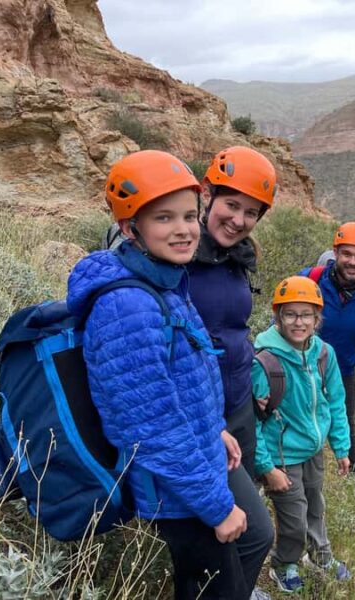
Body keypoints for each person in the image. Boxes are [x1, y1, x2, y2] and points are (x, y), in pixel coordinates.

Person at [67, 150, 272, 600]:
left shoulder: (163, 280)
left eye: (187, 215)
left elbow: (181, 378)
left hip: (194, 467)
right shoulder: (127, 306)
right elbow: (151, 427)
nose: (183, 229)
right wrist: (219, 509)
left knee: (226, 567)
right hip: (179, 491)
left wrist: (213, 427)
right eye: (164, 218)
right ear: (129, 227)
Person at [252, 276, 352, 593]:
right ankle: (284, 563)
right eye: (290, 314)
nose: (299, 322)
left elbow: (335, 402)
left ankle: (320, 556)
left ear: (317, 318)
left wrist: (341, 447)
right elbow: (251, 421)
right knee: (293, 516)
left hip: (312, 449)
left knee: (315, 506)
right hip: (281, 456)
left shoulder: (324, 354)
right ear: (278, 316)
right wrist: (267, 468)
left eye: (306, 314)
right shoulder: (264, 360)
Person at [188, 145, 277, 477]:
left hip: (239, 403)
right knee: (245, 525)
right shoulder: (180, 256)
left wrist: (256, 380)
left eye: (251, 213)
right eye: (231, 205)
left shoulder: (238, 259)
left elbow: (235, 330)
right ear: (208, 196)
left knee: (245, 498)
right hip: (199, 411)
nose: (239, 220)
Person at [299, 222, 355, 475]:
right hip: (302, 367)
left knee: (345, 423)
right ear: (335, 253)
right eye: (346, 254)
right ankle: (298, 476)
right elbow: (282, 320)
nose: (352, 261)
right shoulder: (310, 280)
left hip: (343, 371)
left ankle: (352, 475)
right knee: (298, 422)